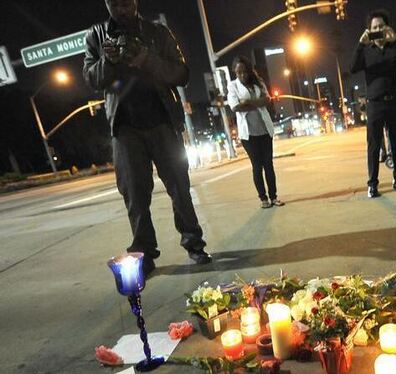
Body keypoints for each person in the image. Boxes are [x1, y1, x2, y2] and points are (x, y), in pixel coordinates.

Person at [83, 0, 212, 275]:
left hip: (163, 122)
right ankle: (144, 253)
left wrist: (147, 59)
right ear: (107, 4)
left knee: (179, 186)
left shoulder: (158, 32)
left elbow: (182, 74)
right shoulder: (96, 36)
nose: (121, 9)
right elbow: (92, 79)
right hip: (125, 128)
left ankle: (194, 244)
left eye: (126, 2)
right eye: (115, 4)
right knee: (135, 194)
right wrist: (109, 61)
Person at [350, 8, 396, 198]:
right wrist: (361, 45)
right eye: (374, 27)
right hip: (375, 104)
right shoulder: (367, 51)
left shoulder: (395, 48)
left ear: (388, 28)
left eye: (381, 26)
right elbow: (352, 68)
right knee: (374, 146)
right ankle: (372, 184)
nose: (378, 29)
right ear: (369, 30)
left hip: (394, 102)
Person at [227, 56, 284, 209]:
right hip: (248, 134)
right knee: (257, 166)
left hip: (265, 130)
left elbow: (267, 99)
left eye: (244, 71)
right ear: (235, 72)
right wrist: (256, 103)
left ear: (249, 71)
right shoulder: (233, 86)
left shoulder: (258, 82)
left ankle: (274, 197)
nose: (242, 75)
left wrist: (248, 103)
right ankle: (263, 199)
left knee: (269, 165)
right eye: (238, 72)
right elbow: (235, 107)